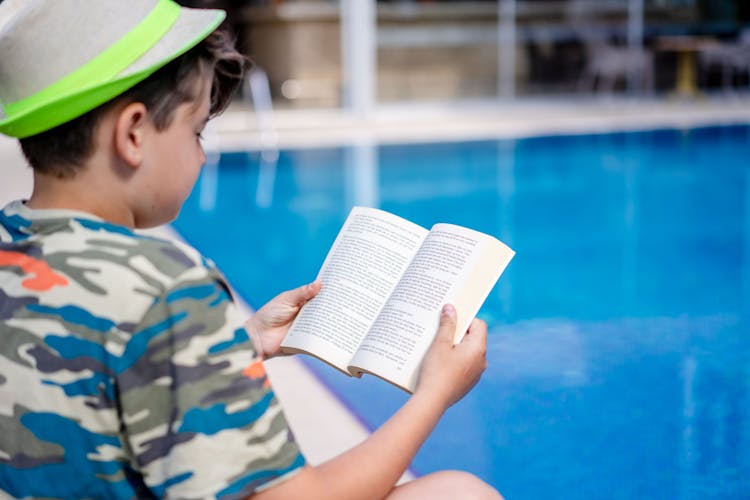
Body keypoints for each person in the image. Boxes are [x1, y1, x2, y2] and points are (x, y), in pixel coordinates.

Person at [0, 1, 501, 498]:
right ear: (133, 133)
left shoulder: (9, 242)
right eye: (196, 131)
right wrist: (436, 393)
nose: (201, 153)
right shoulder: (167, 287)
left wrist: (243, 342)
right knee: (460, 492)